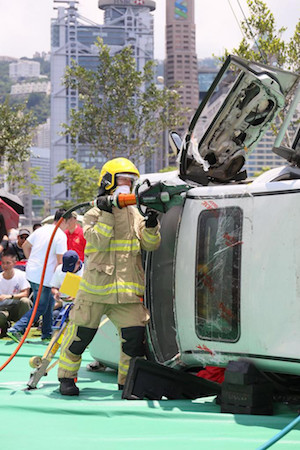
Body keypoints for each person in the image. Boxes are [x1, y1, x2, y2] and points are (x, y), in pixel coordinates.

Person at [57, 157, 161, 396]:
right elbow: (98, 241)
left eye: (131, 181)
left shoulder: (135, 214)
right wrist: (106, 211)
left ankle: (128, 383)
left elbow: (150, 244)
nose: (127, 184)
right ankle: (66, 378)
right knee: (80, 337)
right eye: (123, 180)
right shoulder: (93, 213)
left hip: (127, 292)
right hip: (95, 291)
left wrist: (152, 224)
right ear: (108, 182)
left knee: (134, 342)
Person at [7, 209, 68, 342]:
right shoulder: (60, 235)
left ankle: (46, 333)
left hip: (33, 272)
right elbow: (60, 262)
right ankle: (17, 328)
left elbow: (25, 246)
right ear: (65, 221)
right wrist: (61, 283)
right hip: (44, 276)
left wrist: (32, 260)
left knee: (48, 303)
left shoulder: (42, 229)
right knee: (40, 307)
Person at [0, 251, 31, 337]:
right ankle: (4, 327)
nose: (5, 266)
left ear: (14, 263)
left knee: (25, 301)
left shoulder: (21, 275)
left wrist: (10, 296)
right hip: (3, 309)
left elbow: (25, 293)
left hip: (17, 307)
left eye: (8, 263)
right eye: (3, 263)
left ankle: (22, 329)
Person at [50, 250, 84, 321]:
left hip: (82, 309)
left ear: (78, 263)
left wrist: (77, 296)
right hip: (64, 307)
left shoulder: (86, 271)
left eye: (71, 269)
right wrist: (56, 293)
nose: (68, 271)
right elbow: (54, 287)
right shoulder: (59, 269)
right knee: (52, 316)